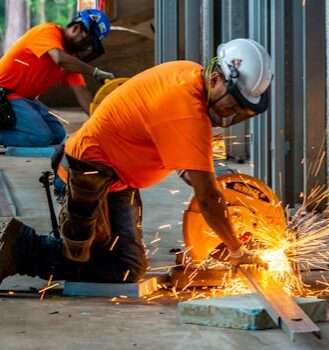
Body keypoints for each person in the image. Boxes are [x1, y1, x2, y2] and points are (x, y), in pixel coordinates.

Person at [0, 38, 272, 285]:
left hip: (116, 178)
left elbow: (184, 159)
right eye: (233, 104)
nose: (231, 114)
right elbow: (209, 200)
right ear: (215, 79)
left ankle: (25, 247)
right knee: (116, 267)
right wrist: (238, 250)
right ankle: (18, 248)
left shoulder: (188, 73)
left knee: (128, 263)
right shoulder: (187, 112)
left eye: (241, 110)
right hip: (89, 175)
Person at [0, 8, 115, 147]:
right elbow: (59, 58)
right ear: (76, 28)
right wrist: (95, 72)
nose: (86, 48)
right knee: (41, 137)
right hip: (5, 95)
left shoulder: (70, 59)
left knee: (57, 134)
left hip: (25, 99)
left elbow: (82, 93)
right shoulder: (48, 32)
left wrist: (102, 124)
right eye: (87, 42)